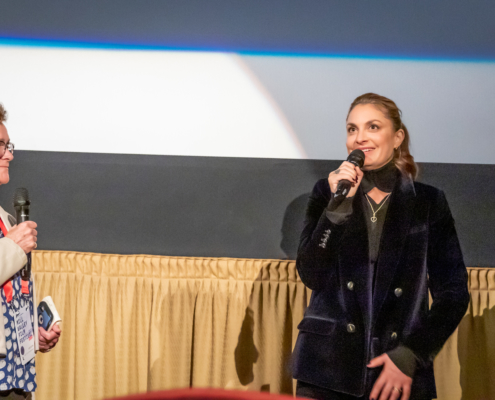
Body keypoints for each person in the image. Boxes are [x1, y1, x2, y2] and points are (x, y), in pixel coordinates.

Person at [292, 93, 469, 400]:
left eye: (372, 127)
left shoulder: (427, 201)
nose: (360, 138)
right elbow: (312, 275)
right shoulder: (326, 192)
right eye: (352, 129)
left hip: (396, 371)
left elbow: (453, 293)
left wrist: (412, 353)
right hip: (327, 368)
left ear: (397, 137)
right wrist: (337, 208)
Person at [0, 104, 61, 399]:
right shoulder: (11, 237)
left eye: (8, 145)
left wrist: (33, 335)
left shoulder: (7, 221)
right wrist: (12, 247)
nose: (9, 154)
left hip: (18, 378)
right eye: (1, 145)